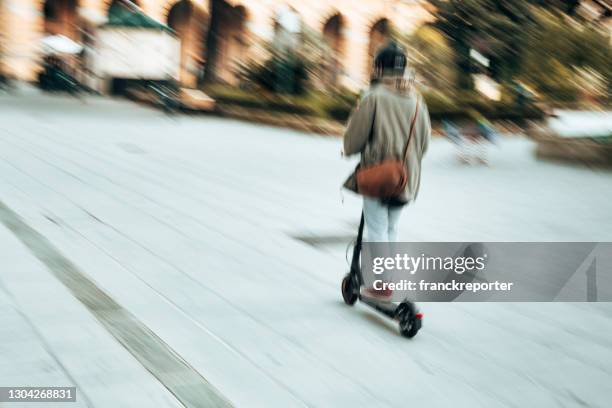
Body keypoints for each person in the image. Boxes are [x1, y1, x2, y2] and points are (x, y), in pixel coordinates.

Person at [342, 43, 431, 300]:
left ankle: (382, 283)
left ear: (379, 68)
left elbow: (354, 140)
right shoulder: (417, 101)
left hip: (379, 174)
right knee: (391, 227)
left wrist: (349, 148)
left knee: (377, 228)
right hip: (407, 176)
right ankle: (388, 278)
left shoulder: (374, 96)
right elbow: (424, 143)